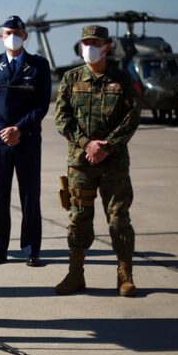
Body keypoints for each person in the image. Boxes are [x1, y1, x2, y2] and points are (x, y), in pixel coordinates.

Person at [54, 25, 141, 296]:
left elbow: (132, 118)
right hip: (81, 161)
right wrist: (87, 144)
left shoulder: (122, 79)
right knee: (78, 218)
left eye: (95, 42)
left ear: (107, 47)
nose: (89, 47)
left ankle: (124, 274)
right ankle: (75, 274)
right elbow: (61, 118)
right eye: (85, 42)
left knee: (118, 219)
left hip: (113, 162)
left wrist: (108, 146)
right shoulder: (71, 78)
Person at [0, 15, 51, 267]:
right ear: (1, 36)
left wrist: (19, 129)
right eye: (8, 32)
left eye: (17, 32)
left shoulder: (38, 65)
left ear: (25, 36)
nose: (13, 36)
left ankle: (31, 249)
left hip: (28, 139)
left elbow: (42, 104)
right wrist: (3, 130)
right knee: (0, 195)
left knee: (30, 195)